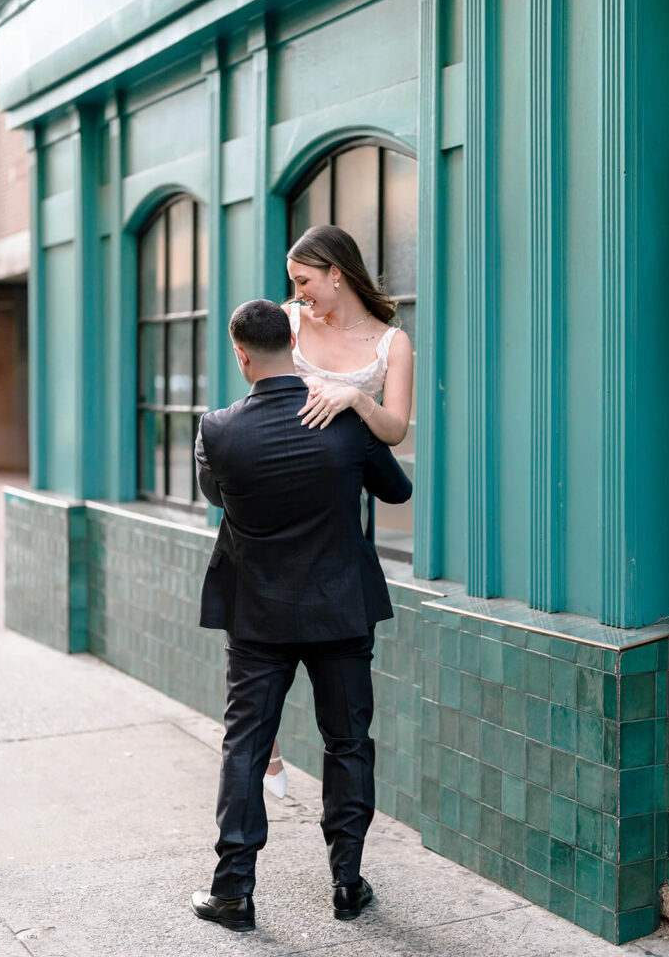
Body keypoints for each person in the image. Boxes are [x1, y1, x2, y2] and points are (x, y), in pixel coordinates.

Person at [191, 299, 412, 931]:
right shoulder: (344, 421)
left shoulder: (217, 430)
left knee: (245, 745)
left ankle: (233, 892)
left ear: (241, 356)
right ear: (293, 342)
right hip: (341, 610)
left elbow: (217, 495)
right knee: (348, 742)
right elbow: (397, 490)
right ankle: (347, 884)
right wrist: (357, 419)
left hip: (257, 616)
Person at [263, 224, 414, 797]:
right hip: (277, 494)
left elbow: (394, 429)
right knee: (257, 620)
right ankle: (264, 743)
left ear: (336, 273)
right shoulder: (289, 321)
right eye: (293, 282)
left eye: (304, 280)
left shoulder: (392, 343)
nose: (297, 292)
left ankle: (337, 776)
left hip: (340, 509)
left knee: (334, 651)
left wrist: (355, 399)